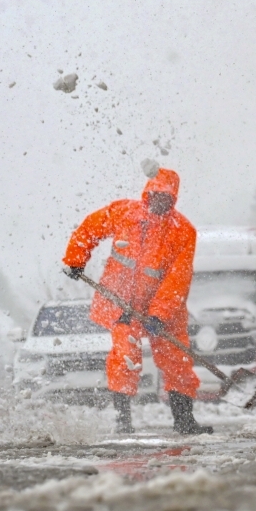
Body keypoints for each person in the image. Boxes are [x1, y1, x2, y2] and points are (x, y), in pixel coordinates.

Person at [62, 168, 212, 435]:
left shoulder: (183, 231)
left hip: (166, 308)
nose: (159, 201)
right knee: (124, 357)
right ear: (147, 192)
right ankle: (123, 420)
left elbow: (177, 279)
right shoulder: (124, 213)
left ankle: (184, 420)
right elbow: (89, 229)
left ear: (173, 198)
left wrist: (159, 314)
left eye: (165, 197)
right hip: (122, 302)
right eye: (155, 194)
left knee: (177, 360)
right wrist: (76, 259)